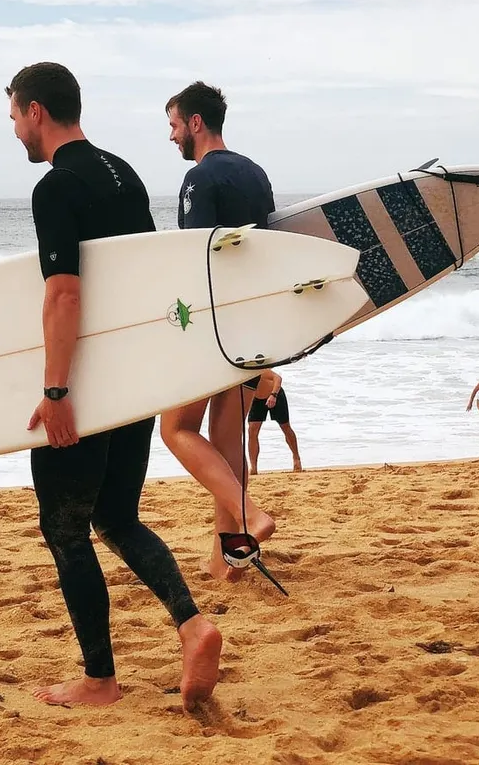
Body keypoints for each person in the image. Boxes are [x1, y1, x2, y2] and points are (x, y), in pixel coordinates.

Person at [7, 61, 222, 711]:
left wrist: (56, 391)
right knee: (117, 515)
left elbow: (65, 291)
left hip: (87, 386)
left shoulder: (55, 187)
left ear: (37, 112)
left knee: (65, 527)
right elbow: (146, 278)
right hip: (134, 377)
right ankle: (192, 625)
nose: (14, 129)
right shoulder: (122, 172)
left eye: (15, 115)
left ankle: (99, 679)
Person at [157, 81, 278, 582]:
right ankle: (228, 561)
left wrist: (175, 325)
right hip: (250, 322)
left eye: (173, 125)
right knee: (226, 449)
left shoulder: (198, 178)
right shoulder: (256, 174)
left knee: (176, 429)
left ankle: (248, 516)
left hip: (212, 325)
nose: (171, 137)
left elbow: (196, 259)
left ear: (195, 124)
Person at [247, 371, 302, 474]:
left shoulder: (257, 370)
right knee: (252, 431)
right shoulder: (238, 375)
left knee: (285, 427)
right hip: (256, 400)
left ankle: (296, 458)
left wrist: (273, 395)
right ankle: (253, 467)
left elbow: (278, 378)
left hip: (275, 395)